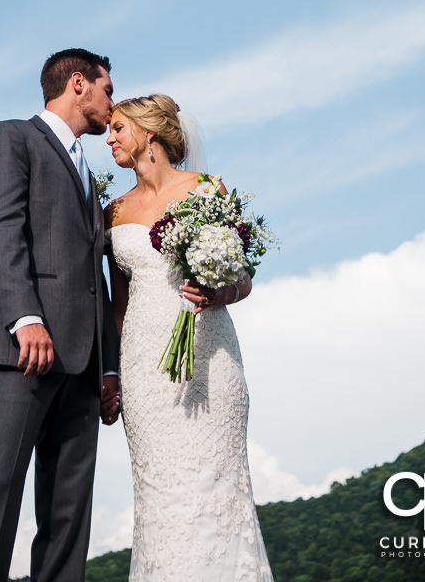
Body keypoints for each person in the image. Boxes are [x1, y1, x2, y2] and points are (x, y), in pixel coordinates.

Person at [0, 49, 121, 582]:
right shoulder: (12, 138)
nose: (112, 105)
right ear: (78, 83)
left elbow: (97, 277)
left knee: (70, 508)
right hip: (23, 349)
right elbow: (0, 230)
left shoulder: (87, 171)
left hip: (83, 362)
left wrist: (108, 367)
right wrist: (26, 317)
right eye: (108, 89)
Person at [104, 94, 274, 582]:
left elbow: (242, 280)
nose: (110, 138)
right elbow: (120, 303)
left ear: (149, 134)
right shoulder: (112, 212)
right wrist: (113, 373)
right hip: (143, 367)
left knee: (216, 484)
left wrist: (217, 294)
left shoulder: (206, 190)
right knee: (160, 493)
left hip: (210, 357)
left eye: (118, 128)